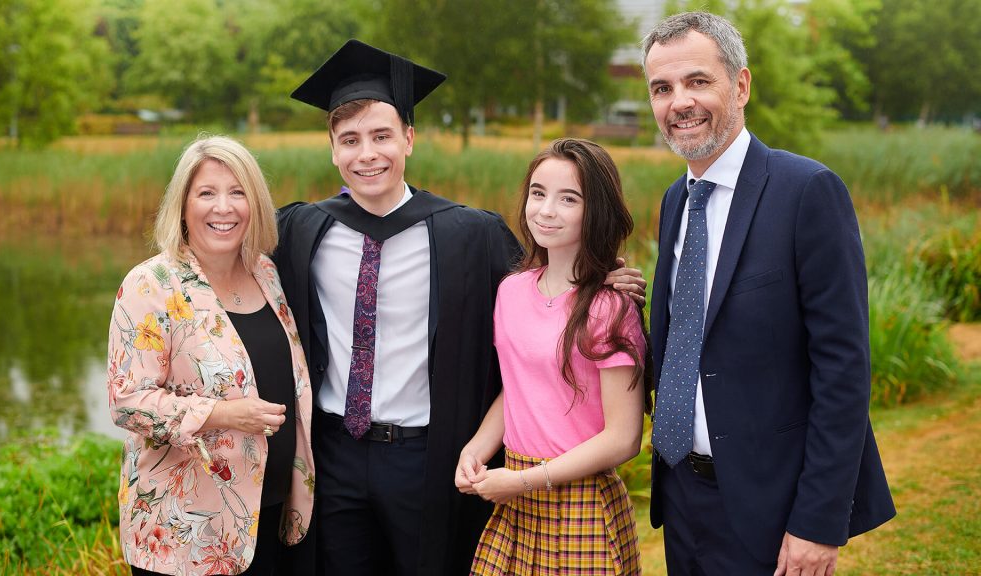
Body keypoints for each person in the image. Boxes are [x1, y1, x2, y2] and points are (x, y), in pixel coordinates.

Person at [275, 40, 646, 576]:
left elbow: (551, 287)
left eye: (382, 136)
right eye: (349, 140)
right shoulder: (303, 230)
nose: (367, 153)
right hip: (334, 456)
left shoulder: (470, 235)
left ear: (409, 138)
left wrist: (602, 277)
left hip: (426, 457)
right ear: (332, 149)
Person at [640, 12, 896, 576]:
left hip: (774, 505)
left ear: (741, 84)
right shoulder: (675, 202)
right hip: (683, 497)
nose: (678, 101)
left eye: (697, 81)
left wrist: (817, 521)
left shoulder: (807, 192)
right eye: (662, 88)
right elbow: (693, 333)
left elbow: (844, 370)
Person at [107, 135, 314, 576]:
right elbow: (127, 402)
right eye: (207, 193)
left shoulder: (267, 273)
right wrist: (222, 414)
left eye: (238, 192)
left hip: (268, 517)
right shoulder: (151, 285)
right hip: (186, 532)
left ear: (255, 204)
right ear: (182, 206)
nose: (224, 207)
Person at [456, 138, 651, 575]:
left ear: (596, 210)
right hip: (517, 500)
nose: (546, 210)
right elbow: (520, 389)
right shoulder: (511, 290)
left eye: (569, 199)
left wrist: (523, 480)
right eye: (538, 192)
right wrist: (477, 449)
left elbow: (624, 438)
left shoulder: (609, 306)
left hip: (579, 500)